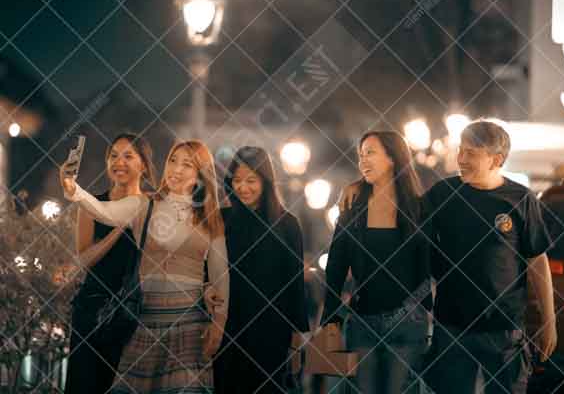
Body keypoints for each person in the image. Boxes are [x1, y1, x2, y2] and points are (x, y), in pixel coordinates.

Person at [61, 140, 229, 394]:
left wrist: (219, 323)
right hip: (146, 319)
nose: (176, 169)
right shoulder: (144, 204)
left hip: (190, 323)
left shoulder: (210, 218)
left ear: (200, 175)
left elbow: (220, 274)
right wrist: (73, 188)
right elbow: (103, 211)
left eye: (187, 164)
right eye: (173, 161)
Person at [424, 120, 556, 394]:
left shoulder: (520, 199)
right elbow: (403, 216)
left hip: (505, 330)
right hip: (452, 327)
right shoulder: (442, 194)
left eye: (471, 153)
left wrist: (549, 322)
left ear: (496, 160)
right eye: (460, 150)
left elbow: (537, 261)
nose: (461, 159)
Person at [322, 131, 433, 394]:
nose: (362, 161)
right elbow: (336, 264)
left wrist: (421, 309)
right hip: (363, 321)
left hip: (407, 323)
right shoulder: (353, 206)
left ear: (393, 158)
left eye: (370, 153)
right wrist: (330, 318)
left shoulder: (419, 208)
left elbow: (429, 267)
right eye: (360, 155)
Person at [208, 146, 309, 394]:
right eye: (237, 180)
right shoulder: (221, 219)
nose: (243, 187)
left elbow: (295, 284)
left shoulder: (287, 224)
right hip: (228, 328)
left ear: (266, 182)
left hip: (272, 332)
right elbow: (205, 267)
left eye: (251, 180)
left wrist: (298, 336)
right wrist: (206, 288)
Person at [65, 133, 157, 394]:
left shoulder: (151, 206)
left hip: (134, 312)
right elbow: (84, 259)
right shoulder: (91, 204)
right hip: (93, 308)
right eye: (114, 156)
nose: (119, 162)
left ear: (144, 164)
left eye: (128, 156)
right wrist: (118, 229)